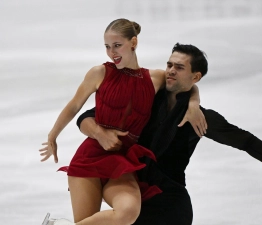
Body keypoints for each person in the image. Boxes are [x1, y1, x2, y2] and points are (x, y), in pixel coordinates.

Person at [77, 43, 262, 225]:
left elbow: (246, 142)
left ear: (196, 77)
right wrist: (99, 134)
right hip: (129, 184)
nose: (171, 71)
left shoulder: (201, 118)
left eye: (179, 67)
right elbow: (86, 116)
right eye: (169, 65)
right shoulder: (145, 96)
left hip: (169, 201)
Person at [38, 19, 207, 225]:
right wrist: (53, 135)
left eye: (117, 45)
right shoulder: (99, 73)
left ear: (133, 43)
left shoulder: (155, 78)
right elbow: (74, 106)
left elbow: (186, 83)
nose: (112, 52)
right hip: (90, 157)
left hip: (123, 160)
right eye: (107, 47)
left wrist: (194, 104)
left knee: (127, 212)